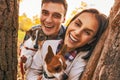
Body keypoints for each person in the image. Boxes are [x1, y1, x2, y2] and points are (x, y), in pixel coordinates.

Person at [26, 8, 108, 80]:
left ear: (92, 40)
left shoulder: (83, 61)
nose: (77, 33)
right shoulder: (47, 45)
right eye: (77, 24)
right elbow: (32, 72)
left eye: (87, 32)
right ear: (70, 22)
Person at [20, 0, 68, 71]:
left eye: (56, 16)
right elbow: (23, 49)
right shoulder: (33, 31)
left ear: (63, 19)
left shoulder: (68, 36)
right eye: (45, 13)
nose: (48, 20)